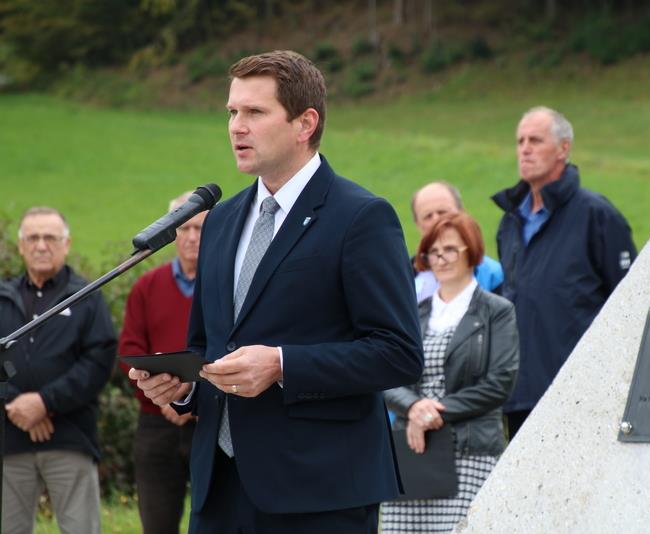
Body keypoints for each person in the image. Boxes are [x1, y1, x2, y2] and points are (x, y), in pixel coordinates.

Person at [128, 50, 423, 534]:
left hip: (320, 492)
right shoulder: (220, 219)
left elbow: (399, 353)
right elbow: (208, 346)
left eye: (254, 112)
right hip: (220, 490)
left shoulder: (361, 217)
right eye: (231, 112)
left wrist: (282, 364)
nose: (236, 127)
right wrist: (183, 387)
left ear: (305, 123)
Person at [492, 106, 637, 439]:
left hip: (580, 394)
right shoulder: (509, 222)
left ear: (563, 148)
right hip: (520, 394)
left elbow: (630, 303)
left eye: (535, 140)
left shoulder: (596, 215)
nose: (525, 149)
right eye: (520, 141)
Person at [382, 212, 519, 533]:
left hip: (470, 451)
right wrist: (414, 408)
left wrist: (433, 412)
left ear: (472, 252)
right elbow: (387, 374)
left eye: (450, 250)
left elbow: (500, 382)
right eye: (433, 251)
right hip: (414, 449)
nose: (440, 259)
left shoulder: (496, 311)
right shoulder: (411, 314)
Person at [0, 207, 116, 534]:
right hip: (9, 441)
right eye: (33, 238)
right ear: (21, 246)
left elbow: (97, 361)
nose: (41, 245)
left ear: (67, 244)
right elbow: (3, 362)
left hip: (70, 438)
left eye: (50, 237)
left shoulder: (86, 298)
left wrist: (45, 403)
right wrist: (17, 403)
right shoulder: (3, 298)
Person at [118, 192, 207, 534]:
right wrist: (164, 396)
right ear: (172, 234)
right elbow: (129, 349)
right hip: (157, 422)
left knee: (216, 518)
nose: (192, 237)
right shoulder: (147, 287)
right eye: (184, 228)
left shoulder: (224, 288)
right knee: (157, 523)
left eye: (200, 228)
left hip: (209, 419)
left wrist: (194, 396)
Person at [411, 181, 503, 301]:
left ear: (461, 213)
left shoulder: (493, 274)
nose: (436, 220)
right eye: (428, 216)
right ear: (418, 225)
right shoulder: (407, 277)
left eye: (442, 212)